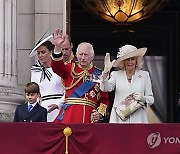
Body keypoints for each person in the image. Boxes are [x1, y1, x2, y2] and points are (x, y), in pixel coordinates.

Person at [51, 29, 110, 124]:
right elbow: (56, 67)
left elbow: (104, 100)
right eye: (80, 54)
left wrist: (99, 114)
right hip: (69, 116)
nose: (82, 58)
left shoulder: (99, 75)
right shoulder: (70, 68)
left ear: (92, 56)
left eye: (85, 55)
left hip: (89, 118)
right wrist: (57, 47)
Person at [100, 44, 154, 123]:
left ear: (136, 61)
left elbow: (151, 99)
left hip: (138, 118)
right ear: (123, 61)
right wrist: (106, 72)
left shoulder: (144, 75)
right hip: (119, 119)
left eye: (133, 59)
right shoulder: (116, 74)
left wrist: (143, 98)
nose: (130, 62)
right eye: (127, 59)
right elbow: (106, 88)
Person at [30, 40, 64, 122]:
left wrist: (58, 104)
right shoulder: (35, 71)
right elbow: (34, 92)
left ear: (51, 52)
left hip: (59, 107)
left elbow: (68, 90)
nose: (40, 55)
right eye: (38, 53)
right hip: (43, 109)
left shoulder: (60, 68)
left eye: (43, 52)